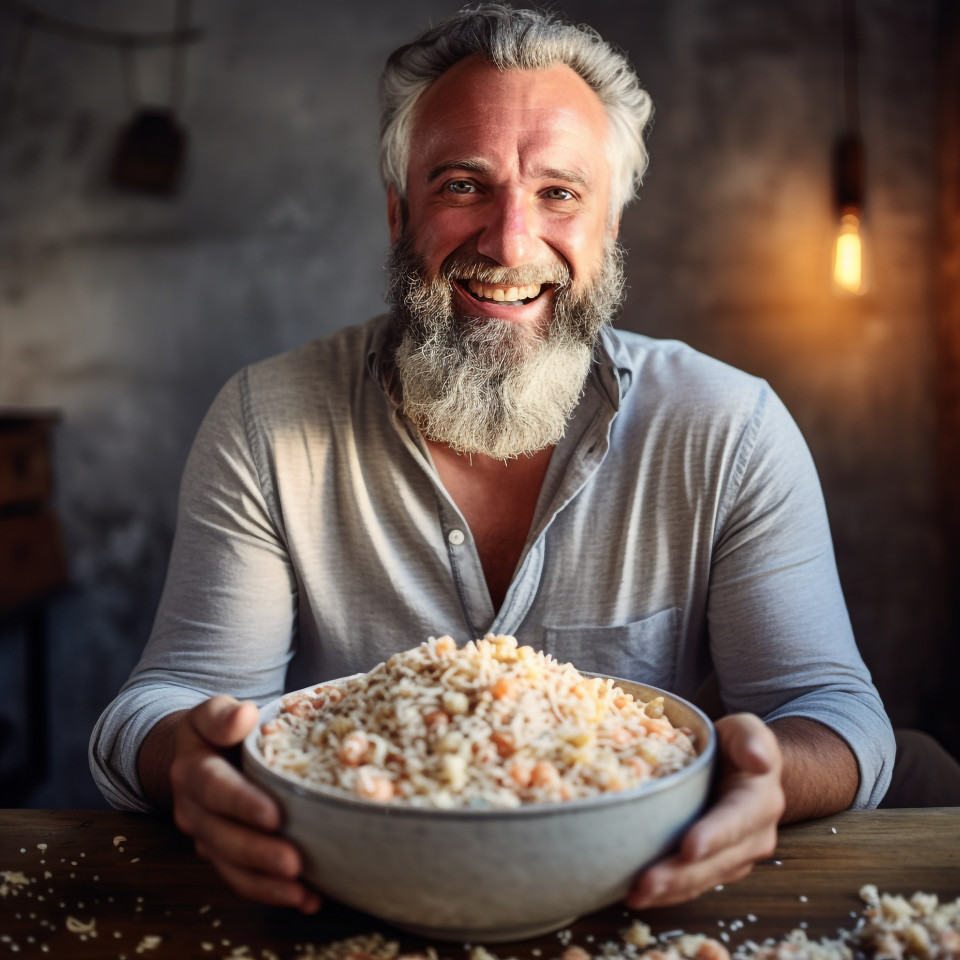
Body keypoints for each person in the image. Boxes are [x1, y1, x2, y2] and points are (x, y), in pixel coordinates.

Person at [90, 4, 895, 918]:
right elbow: (162, 702)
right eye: (464, 185)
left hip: (636, 913)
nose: (512, 244)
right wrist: (188, 761)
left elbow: (835, 714)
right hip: (339, 912)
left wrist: (753, 781)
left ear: (611, 223)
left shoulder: (728, 426)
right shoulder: (265, 421)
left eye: (559, 193)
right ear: (400, 211)